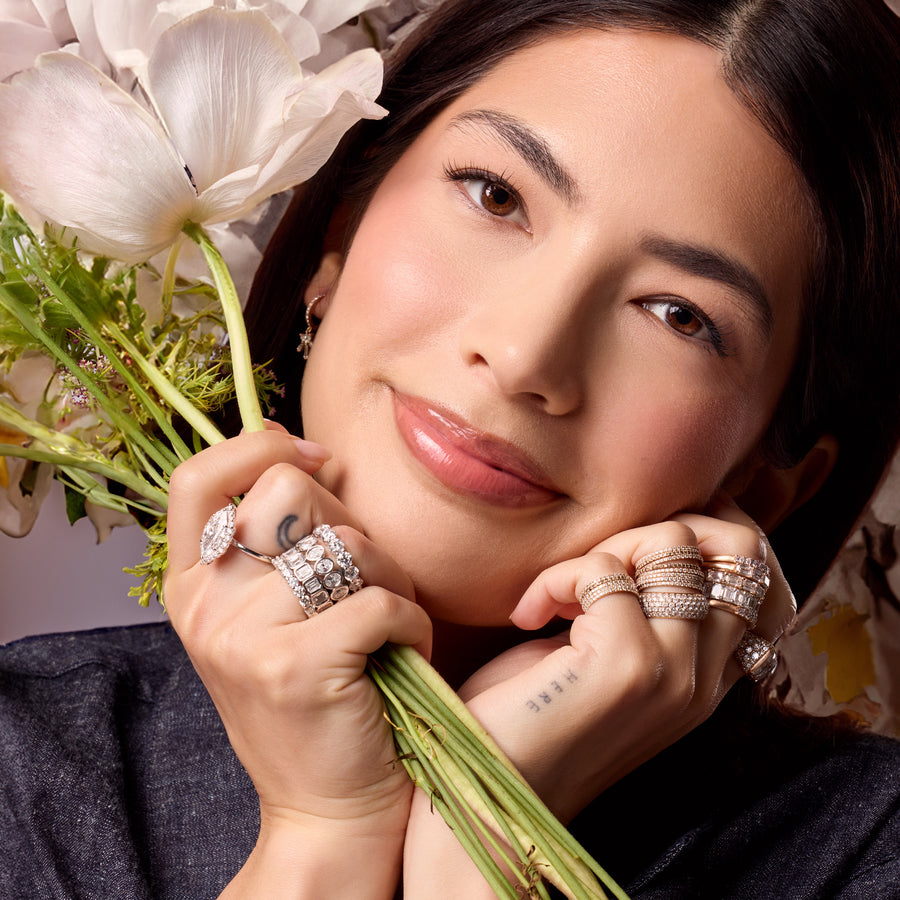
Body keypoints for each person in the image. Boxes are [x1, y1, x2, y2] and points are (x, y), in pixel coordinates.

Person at [1, 0, 899, 897]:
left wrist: (486, 853)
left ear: (766, 480)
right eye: (495, 197)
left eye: (679, 315)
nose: (522, 356)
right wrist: (326, 835)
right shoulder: (27, 768)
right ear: (337, 238)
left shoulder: (869, 852)